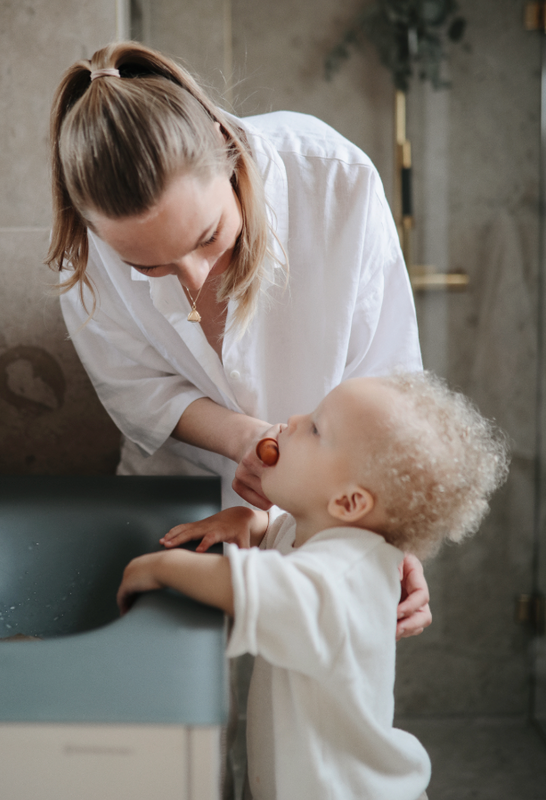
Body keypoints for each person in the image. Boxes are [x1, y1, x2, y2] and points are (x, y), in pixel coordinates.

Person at [47, 41, 431, 638]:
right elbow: (136, 388)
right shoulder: (86, 252)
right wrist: (243, 440)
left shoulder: (335, 183)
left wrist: (387, 532)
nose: (195, 281)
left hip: (331, 514)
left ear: (228, 155)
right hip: (174, 501)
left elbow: (390, 386)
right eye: (148, 267)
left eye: (208, 237)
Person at [117, 371, 510, 800]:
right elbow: (282, 533)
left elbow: (254, 587)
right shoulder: (320, 532)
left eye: (316, 428)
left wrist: (159, 567)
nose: (292, 419)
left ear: (348, 502)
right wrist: (250, 519)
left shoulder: (345, 578)